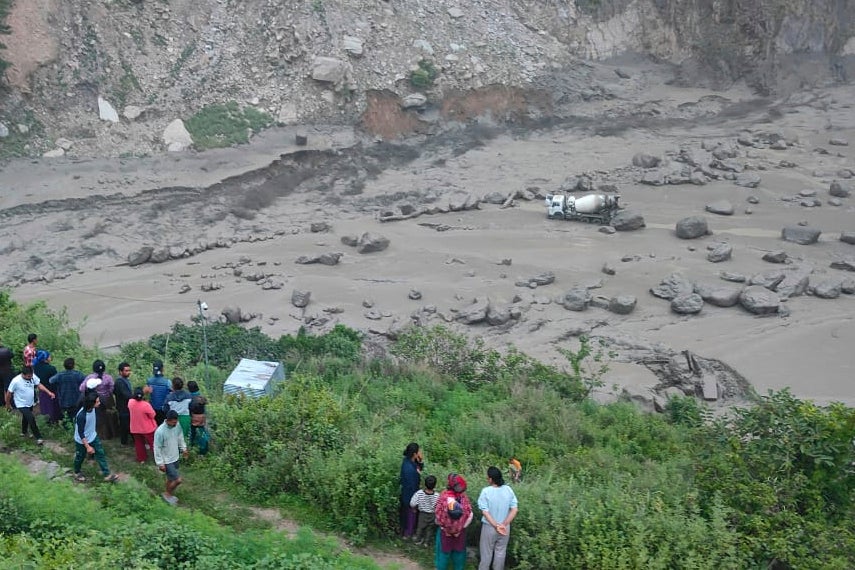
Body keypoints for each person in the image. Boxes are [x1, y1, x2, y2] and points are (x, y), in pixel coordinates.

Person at [477, 466, 519, 570]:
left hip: (489, 527)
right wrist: (504, 524)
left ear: (491, 479)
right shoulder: (508, 489)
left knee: (486, 553)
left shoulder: (486, 491)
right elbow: (514, 509)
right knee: (500, 553)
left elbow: (485, 512)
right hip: (505, 527)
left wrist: (496, 525)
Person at [72, 392, 119, 483]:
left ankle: (107, 474)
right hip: (82, 440)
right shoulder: (81, 416)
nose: (99, 403)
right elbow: (81, 433)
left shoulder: (92, 408)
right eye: (97, 402)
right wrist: (88, 447)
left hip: (93, 436)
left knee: (100, 453)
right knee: (80, 456)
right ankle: (77, 472)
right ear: (91, 404)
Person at [5, 365, 55, 445]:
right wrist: (8, 404)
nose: (30, 377)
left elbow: (39, 385)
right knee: (31, 418)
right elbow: (8, 393)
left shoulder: (32, 376)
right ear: (23, 374)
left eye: (31, 376)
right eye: (28, 376)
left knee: (26, 417)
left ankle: (24, 432)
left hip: (30, 402)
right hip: (20, 403)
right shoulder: (16, 381)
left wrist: (49, 392)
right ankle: (38, 437)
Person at [435, 473, 474, 570]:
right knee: (459, 555)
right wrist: (461, 528)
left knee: (443, 555)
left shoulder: (443, 496)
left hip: (445, 533)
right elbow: (469, 514)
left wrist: (445, 528)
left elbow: (438, 514)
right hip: (459, 534)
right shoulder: (463, 498)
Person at [154, 409, 188, 505]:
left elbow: (180, 437)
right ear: (167, 420)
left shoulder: (177, 425)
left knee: (170, 478)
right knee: (178, 480)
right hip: (167, 460)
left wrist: (183, 448)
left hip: (175, 457)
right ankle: (167, 494)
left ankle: (167, 493)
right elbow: (157, 448)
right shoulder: (160, 431)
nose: (175, 423)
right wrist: (160, 463)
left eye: (176, 421)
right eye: (173, 422)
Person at [81, 360, 117, 440]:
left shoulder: (90, 377)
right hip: (107, 399)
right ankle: (111, 434)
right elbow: (112, 388)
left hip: (94, 399)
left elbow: (82, 388)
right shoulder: (108, 377)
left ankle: (99, 435)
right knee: (108, 416)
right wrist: (106, 394)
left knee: (97, 418)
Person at [49, 357, 86, 425]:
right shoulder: (78, 374)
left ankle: (67, 428)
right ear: (74, 365)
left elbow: (51, 381)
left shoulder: (60, 375)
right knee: (76, 415)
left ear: (64, 366)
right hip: (76, 399)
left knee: (66, 416)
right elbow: (86, 381)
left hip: (63, 399)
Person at [400, 442, 424, 537]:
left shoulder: (408, 461)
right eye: (418, 451)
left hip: (407, 493)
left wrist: (421, 461)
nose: (420, 453)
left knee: (408, 515)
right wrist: (414, 502)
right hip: (409, 496)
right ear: (414, 454)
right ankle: (407, 533)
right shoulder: (410, 469)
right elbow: (412, 486)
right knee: (409, 515)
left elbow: (419, 468)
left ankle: (407, 532)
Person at [128, 386, 157, 463]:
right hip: (147, 429)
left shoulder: (130, 402)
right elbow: (153, 415)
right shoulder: (146, 405)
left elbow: (133, 397)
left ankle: (141, 459)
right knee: (153, 443)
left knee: (139, 444)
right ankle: (158, 458)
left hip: (135, 428)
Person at [409, 474, 439, 546]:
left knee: (420, 528)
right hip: (432, 514)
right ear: (435, 485)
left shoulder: (419, 493)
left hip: (422, 514)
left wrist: (414, 509)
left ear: (425, 484)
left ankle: (418, 540)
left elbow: (412, 503)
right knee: (430, 529)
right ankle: (426, 542)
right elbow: (439, 505)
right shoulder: (437, 495)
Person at [33, 350, 60, 424]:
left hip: (42, 390)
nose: (50, 357)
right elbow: (55, 380)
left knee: (45, 406)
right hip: (51, 390)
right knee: (53, 406)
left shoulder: (36, 366)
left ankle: (46, 420)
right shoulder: (51, 369)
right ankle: (54, 421)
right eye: (49, 356)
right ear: (45, 359)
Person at [187, 380, 209, 454]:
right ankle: (204, 449)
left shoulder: (190, 398)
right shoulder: (201, 397)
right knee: (202, 432)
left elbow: (189, 408)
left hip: (193, 417)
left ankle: (192, 446)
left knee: (192, 432)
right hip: (202, 417)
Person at [114, 362, 134, 445]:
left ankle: (125, 441)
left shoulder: (125, 380)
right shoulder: (119, 382)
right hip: (123, 407)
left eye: (129, 370)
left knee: (127, 424)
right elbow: (127, 395)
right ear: (120, 372)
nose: (128, 372)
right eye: (126, 371)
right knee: (125, 425)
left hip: (126, 406)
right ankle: (124, 442)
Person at [147, 360, 171, 425]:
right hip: (163, 409)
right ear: (162, 369)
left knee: (154, 425)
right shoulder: (167, 382)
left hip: (152, 408)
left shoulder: (149, 381)